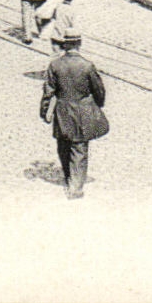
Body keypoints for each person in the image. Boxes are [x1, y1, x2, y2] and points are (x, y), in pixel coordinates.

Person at [40, 31, 109, 199]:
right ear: (79, 44)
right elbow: (99, 90)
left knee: (63, 145)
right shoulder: (87, 66)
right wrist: (98, 104)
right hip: (82, 111)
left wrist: (44, 111)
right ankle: (75, 187)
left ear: (64, 45)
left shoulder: (55, 65)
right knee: (79, 148)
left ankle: (68, 177)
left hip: (62, 110)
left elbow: (48, 91)